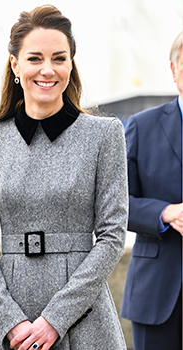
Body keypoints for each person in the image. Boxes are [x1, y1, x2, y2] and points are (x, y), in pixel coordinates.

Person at [0, 5, 128, 350]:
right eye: (35, 58)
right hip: (9, 316)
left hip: (84, 316)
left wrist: (56, 319)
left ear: (71, 64)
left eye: (59, 58)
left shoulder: (104, 135)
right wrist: (10, 321)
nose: (47, 70)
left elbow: (112, 235)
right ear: (15, 65)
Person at [120, 32, 183, 350]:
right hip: (158, 294)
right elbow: (116, 205)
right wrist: (165, 212)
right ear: (173, 71)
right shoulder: (141, 126)